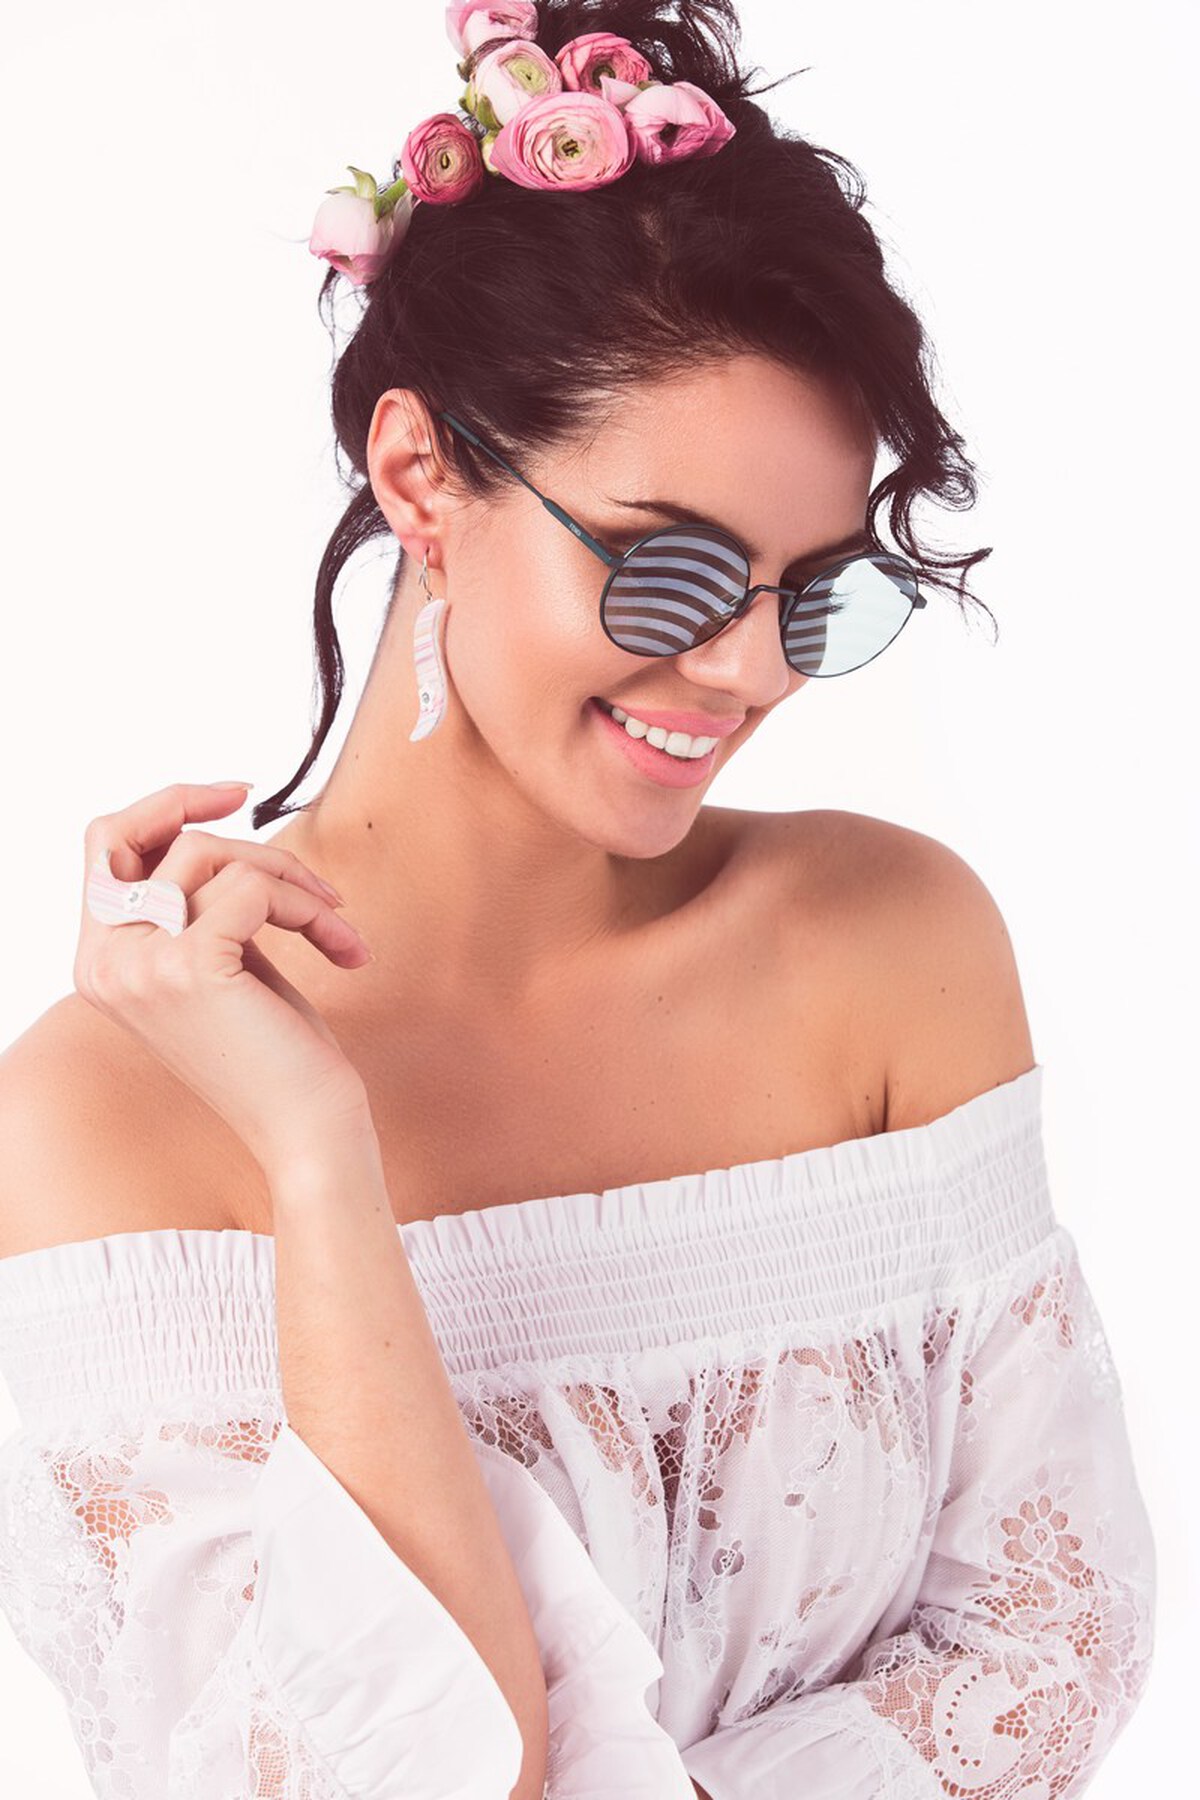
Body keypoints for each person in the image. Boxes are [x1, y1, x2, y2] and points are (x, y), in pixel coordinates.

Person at [0, 3, 1156, 1796]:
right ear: (421, 475)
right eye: (668, 565)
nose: (746, 669)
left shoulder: (892, 952)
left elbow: (1052, 1650)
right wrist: (318, 1158)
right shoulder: (104, 1121)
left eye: (814, 592)